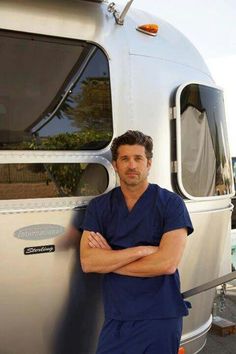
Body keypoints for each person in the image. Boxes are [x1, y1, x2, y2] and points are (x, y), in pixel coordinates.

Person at [80, 130, 194, 354]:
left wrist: (110, 259)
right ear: (115, 164)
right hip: (117, 316)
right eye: (124, 159)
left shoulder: (171, 204)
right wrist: (141, 250)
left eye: (138, 158)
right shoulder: (100, 207)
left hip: (161, 316)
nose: (131, 165)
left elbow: (166, 264)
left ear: (149, 163)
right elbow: (89, 262)